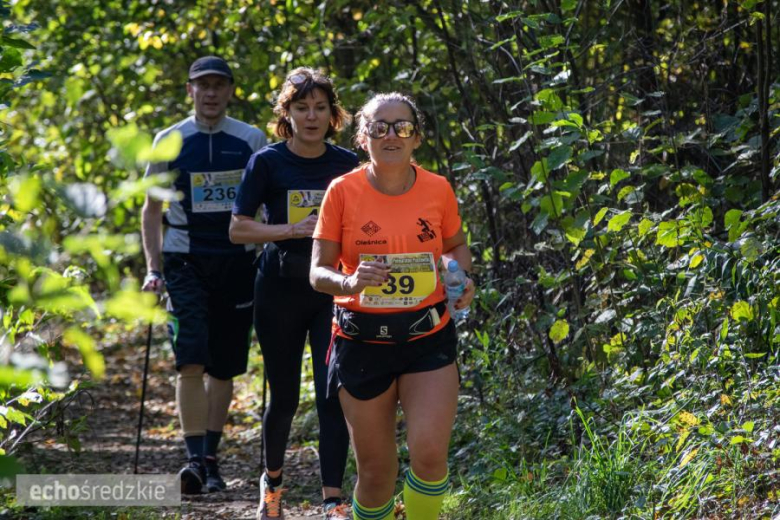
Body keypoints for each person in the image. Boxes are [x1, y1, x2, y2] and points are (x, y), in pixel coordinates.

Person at [310, 92, 475, 520]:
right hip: (361, 341)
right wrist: (348, 281)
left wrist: (459, 277)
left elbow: (456, 246)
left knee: (430, 455)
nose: (391, 135)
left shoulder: (438, 189)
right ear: (363, 138)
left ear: (416, 137)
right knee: (378, 472)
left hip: (428, 336)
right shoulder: (341, 192)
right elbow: (318, 272)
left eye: (401, 127)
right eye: (379, 127)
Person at [230, 67, 357, 520]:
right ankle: (273, 485)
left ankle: (332, 499)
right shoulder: (267, 162)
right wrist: (290, 230)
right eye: (302, 108)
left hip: (331, 290)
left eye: (320, 107)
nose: (311, 116)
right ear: (287, 113)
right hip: (279, 288)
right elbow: (237, 228)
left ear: (332, 113)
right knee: (283, 396)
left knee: (331, 394)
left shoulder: (347, 164)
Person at [141, 56, 267, 494]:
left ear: (230, 90)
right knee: (190, 358)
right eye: (202, 85)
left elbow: (265, 202)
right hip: (185, 262)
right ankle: (194, 461)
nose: (210, 93)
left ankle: (211, 458)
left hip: (238, 262)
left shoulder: (251, 139)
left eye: (218, 85)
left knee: (224, 366)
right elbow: (152, 210)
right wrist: (153, 269)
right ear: (190, 90)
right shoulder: (169, 140)